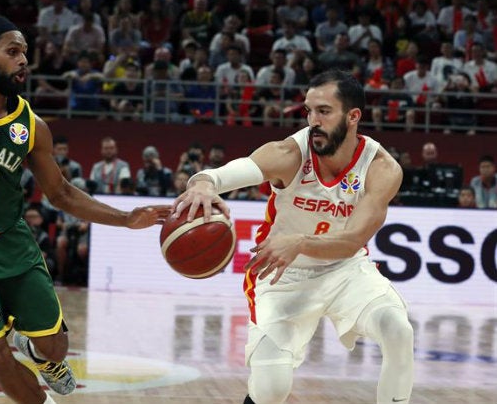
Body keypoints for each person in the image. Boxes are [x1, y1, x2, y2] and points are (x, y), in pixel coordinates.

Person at [0, 0, 170, 404]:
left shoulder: (32, 126)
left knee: (53, 345)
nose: (24, 62)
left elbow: (61, 193)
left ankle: (44, 354)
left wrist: (126, 218)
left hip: (10, 242)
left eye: (25, 55)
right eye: (13, 51)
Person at [172, 69, 414, 404]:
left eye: (324, 111)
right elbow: (221, 174)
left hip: (346, 270)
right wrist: (202, 184)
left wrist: (300, 241)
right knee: (271, 389)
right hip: (282, 274)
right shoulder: (289, 154)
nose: (313, 120)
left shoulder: (381, 169)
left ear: (353, 116)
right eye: (309, 111)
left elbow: (353, 239)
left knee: (397, 330)